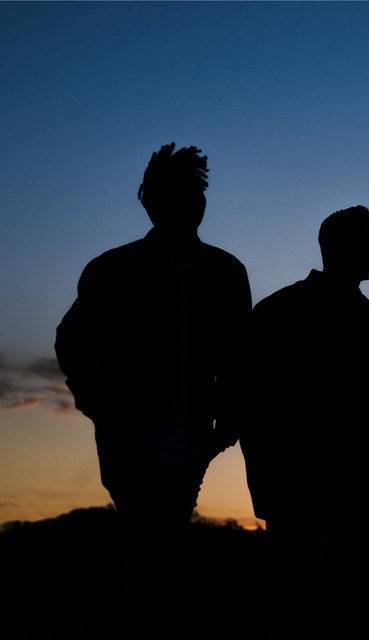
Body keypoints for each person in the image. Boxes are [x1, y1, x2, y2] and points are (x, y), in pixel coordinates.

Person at [55, 143, 252, 610]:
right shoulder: (112, 270)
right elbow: (73, 344)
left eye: (192, 195)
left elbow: (241, 356)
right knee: (144, 549)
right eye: (170, 197)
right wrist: (103, 409)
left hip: (195, 439)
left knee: (167, 549)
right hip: (129, 439)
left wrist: (227, 424)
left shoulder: (226, 272)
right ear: (150, 203)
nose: (184, 206)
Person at [240, 205, 369, 634]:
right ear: (334, 247)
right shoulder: (278, 313)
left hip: (362, 490)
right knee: (296, 603)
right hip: (294, 487)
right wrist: (267, 483)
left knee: (351, 607)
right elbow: (252, 403)